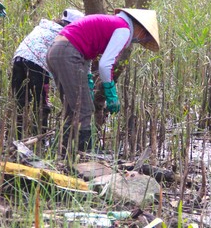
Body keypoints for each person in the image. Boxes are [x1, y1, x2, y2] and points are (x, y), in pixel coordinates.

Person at [46, 8, 160, 158]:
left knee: (73, 108)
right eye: (144, 36)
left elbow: (85, 50)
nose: (141, 40)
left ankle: (65, 152)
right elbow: (105, 65)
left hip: (57, 51)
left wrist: (88, 78)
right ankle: (85, 152)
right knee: (84, 109)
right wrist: (111, 92)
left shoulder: (111, 23)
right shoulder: (123, 29)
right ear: (139, 27)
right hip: (68, 53)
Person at [11, 8, 84, 139]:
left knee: (20, 101)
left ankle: (17, 137)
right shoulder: (66, 34)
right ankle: (39, 138)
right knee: (42, 104)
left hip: (18, 59)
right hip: (37, 64)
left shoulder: (43, 27)